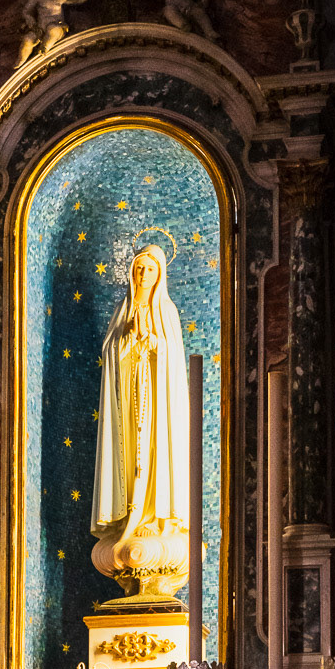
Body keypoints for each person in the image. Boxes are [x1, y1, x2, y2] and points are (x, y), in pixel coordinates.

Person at [91, 243, 190, 574]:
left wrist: (152, 343)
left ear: (160, 273)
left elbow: (172, 358)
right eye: (138, 268)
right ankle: (127, 516)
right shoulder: (124, 311)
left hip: (157, 406)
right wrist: (129, 340)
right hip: (128, 403)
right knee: (128, 455)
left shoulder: (167, 310)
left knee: (154, 453)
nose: (143, 273)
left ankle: (154, 516)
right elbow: (111, 352)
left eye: (149, 269)